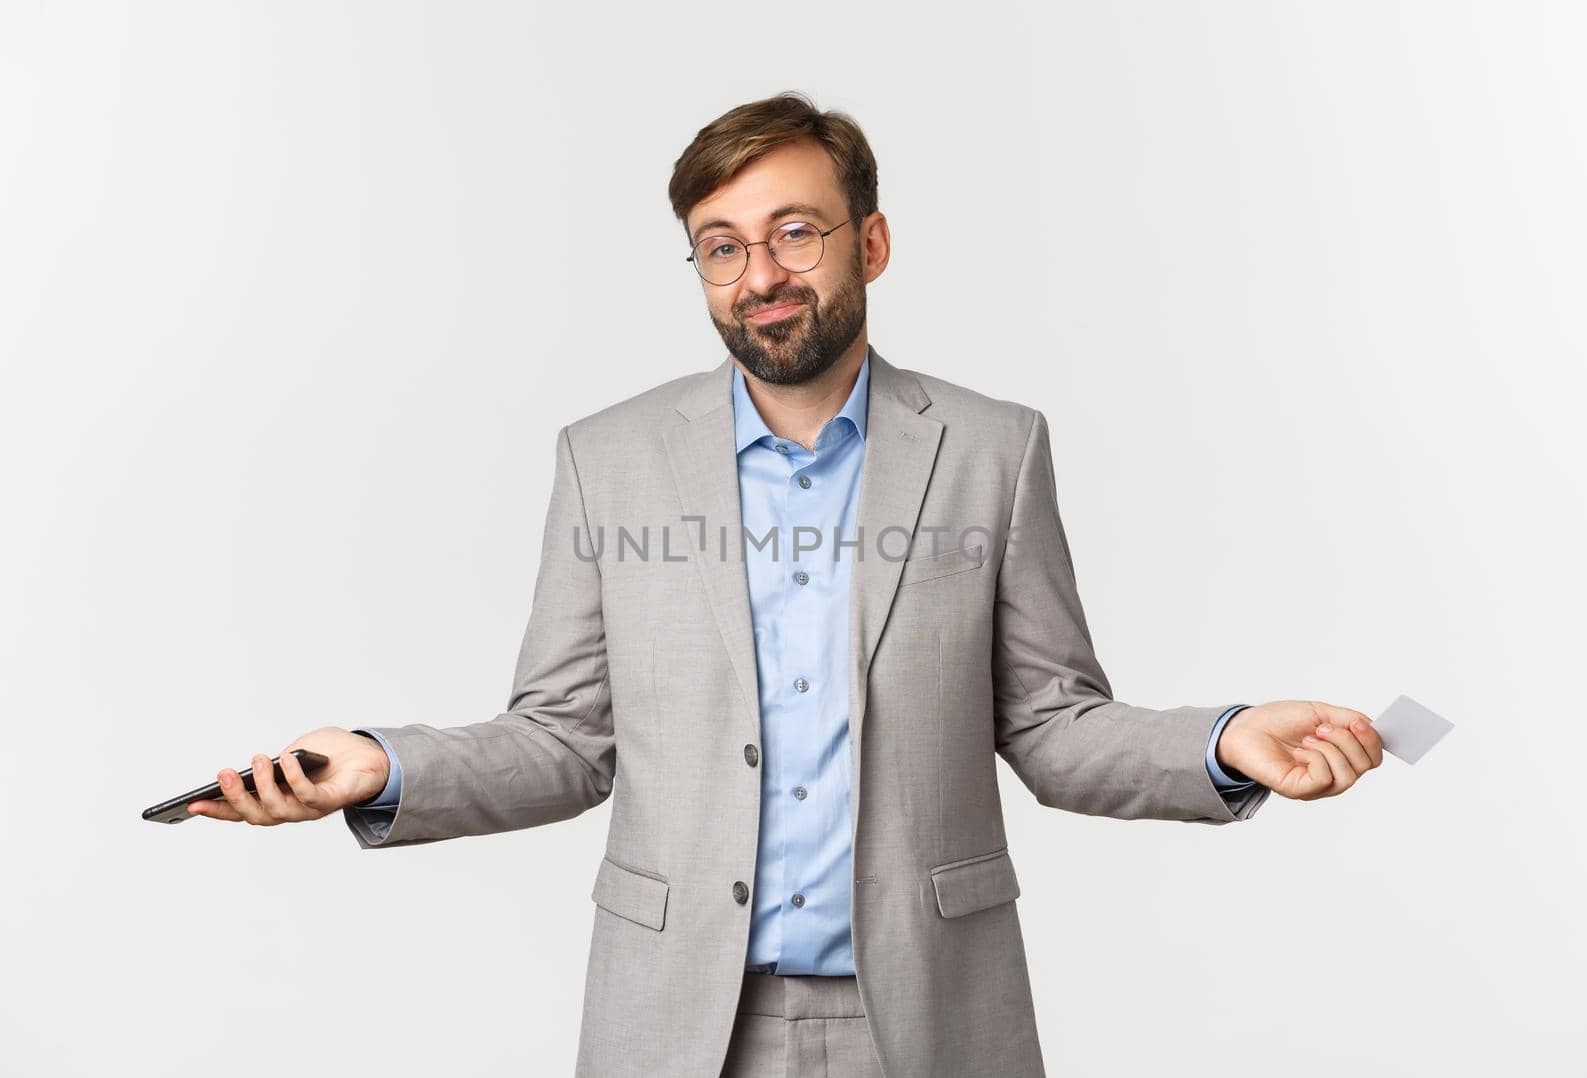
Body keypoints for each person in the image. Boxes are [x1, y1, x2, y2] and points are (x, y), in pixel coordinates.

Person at [189, 91, 1384, 1077]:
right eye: (722, 246)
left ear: (868, 241)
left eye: (795, 232)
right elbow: (564, 738)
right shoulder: (605, 459)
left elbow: (1051, 725)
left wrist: (1224, 741)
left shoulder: (992, 448)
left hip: (928, 1015)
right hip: (678, 1021)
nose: (759, 272)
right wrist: (379, 765)